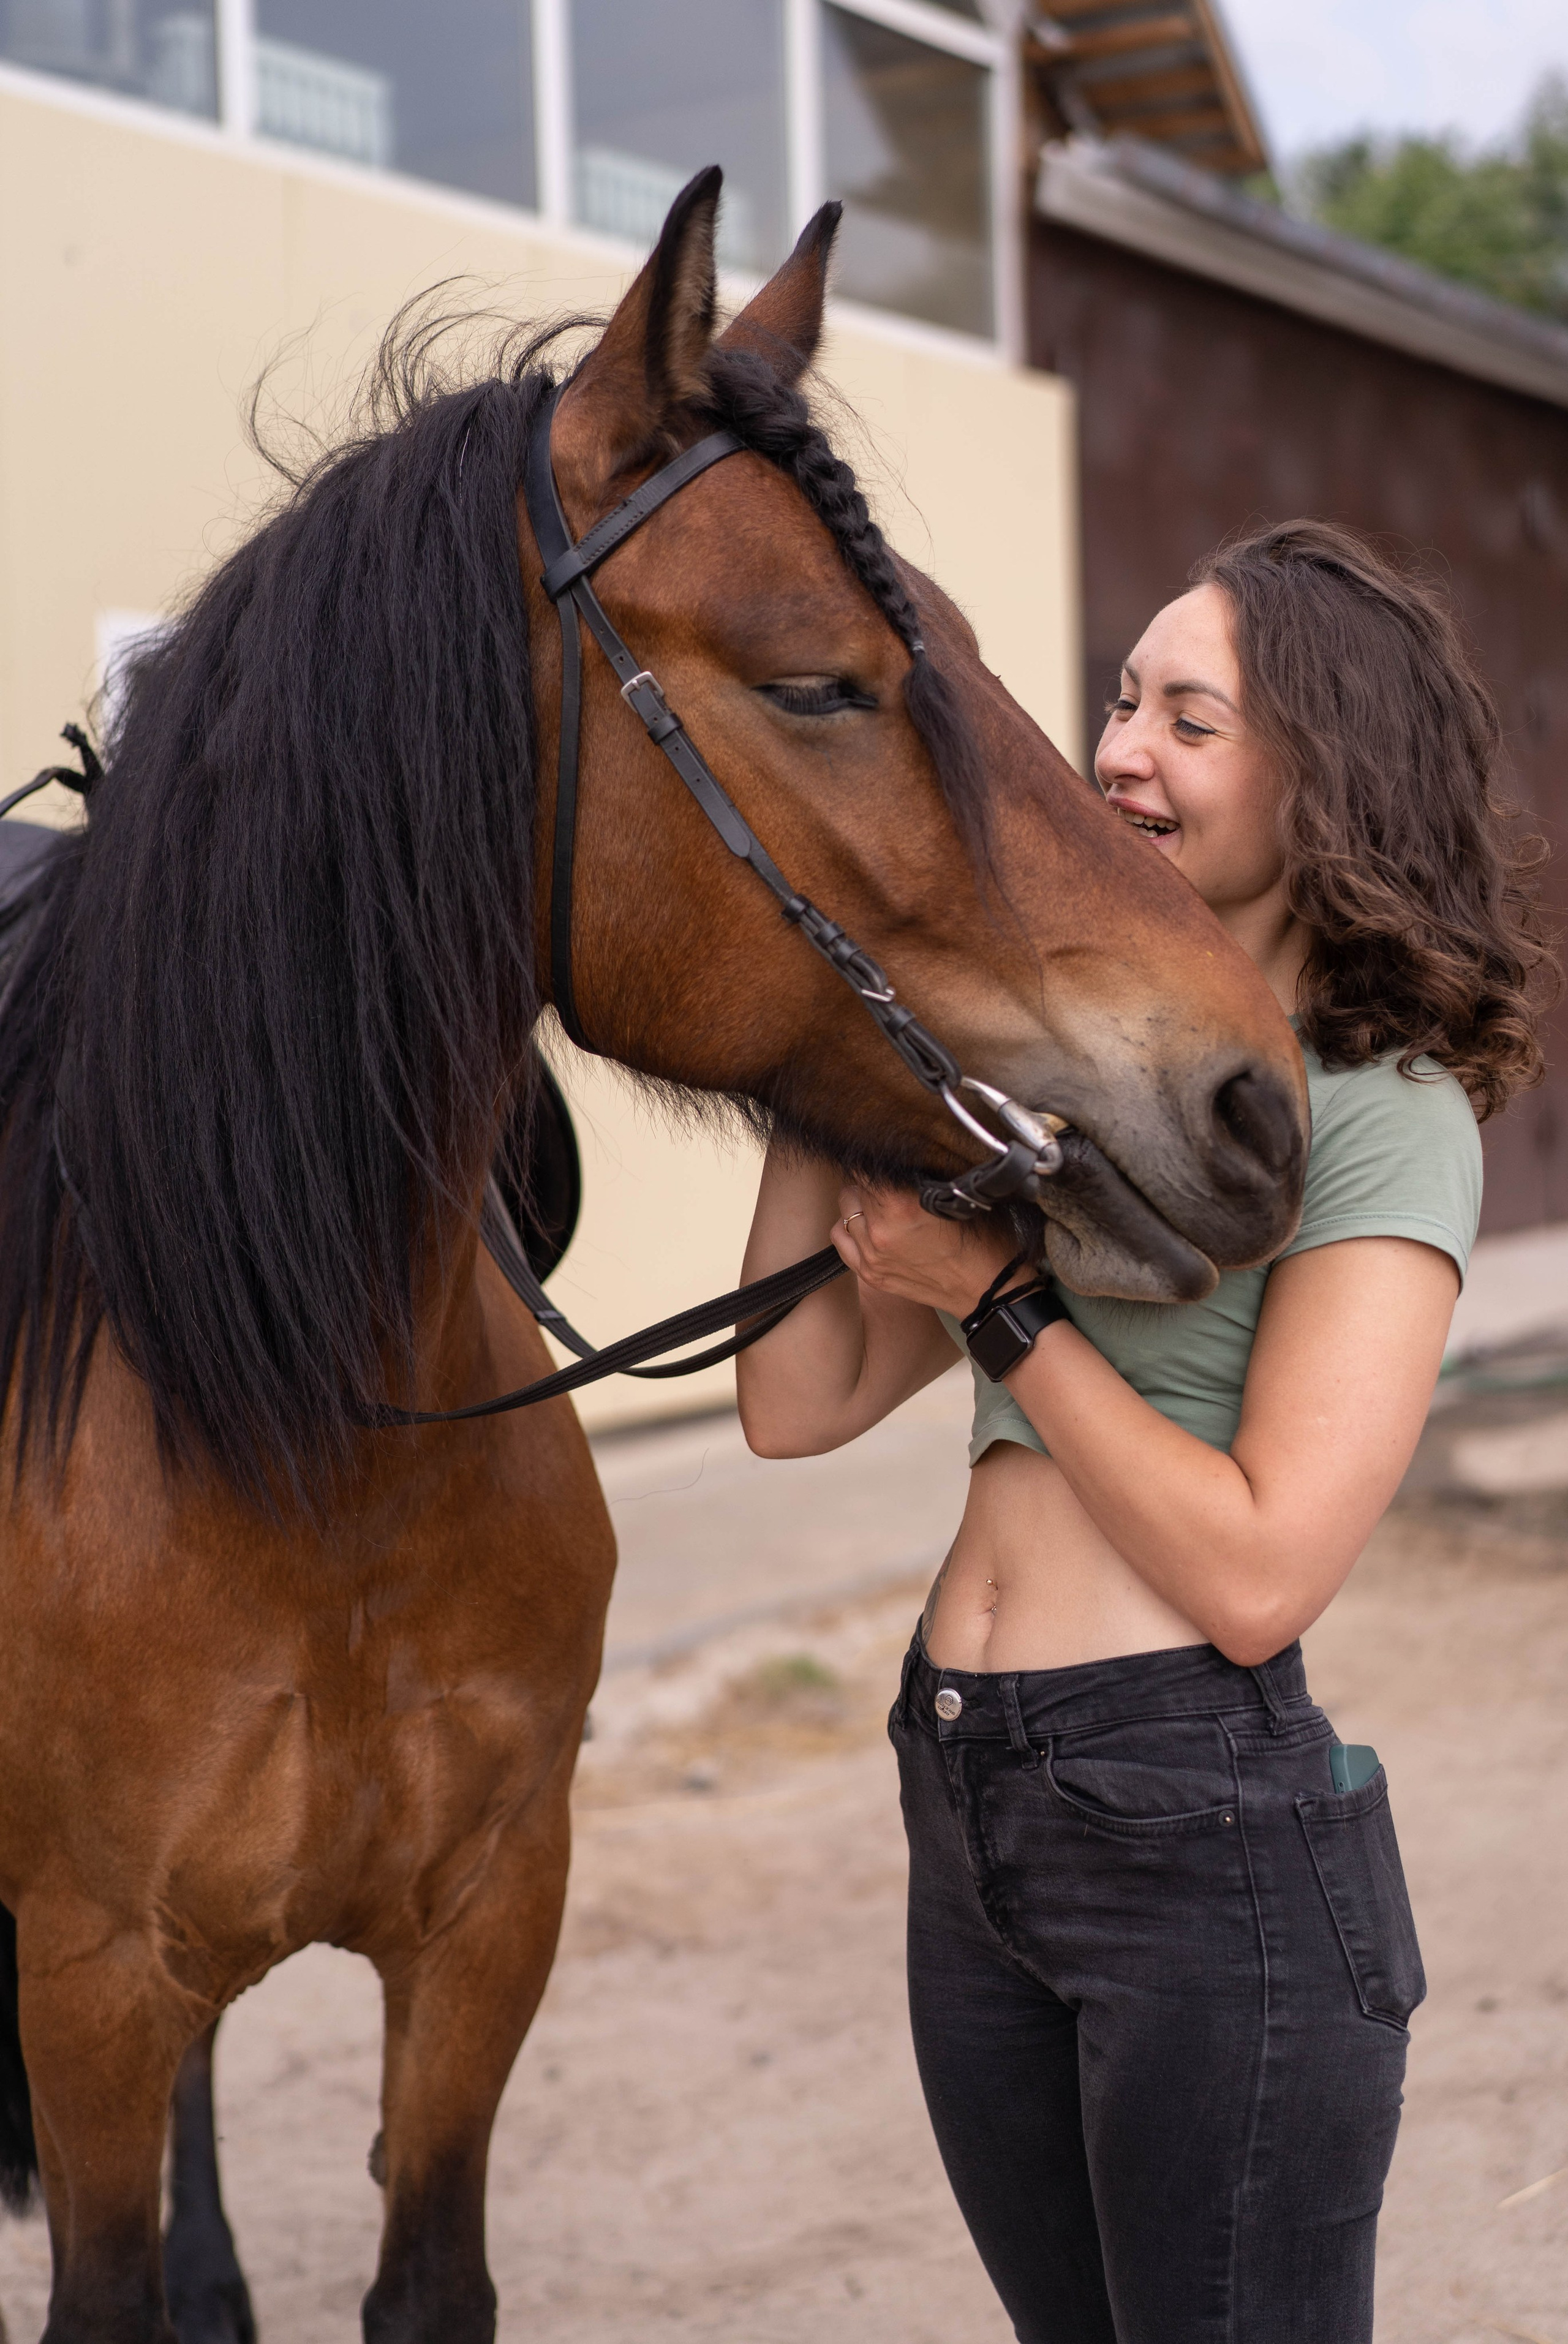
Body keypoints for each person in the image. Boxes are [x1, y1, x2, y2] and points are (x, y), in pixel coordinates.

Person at [734, 520, 1550, 2344]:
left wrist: (1000, 1308)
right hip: (968, 1797)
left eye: (1192, 718)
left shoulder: (1382, 1111)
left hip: (1201, 1838)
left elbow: (1261, 1570)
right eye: (1121, 699)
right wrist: (829, 1021)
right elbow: (790, 1403)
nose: (1119, 750)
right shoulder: (1064, 1079)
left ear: (1325, 775)